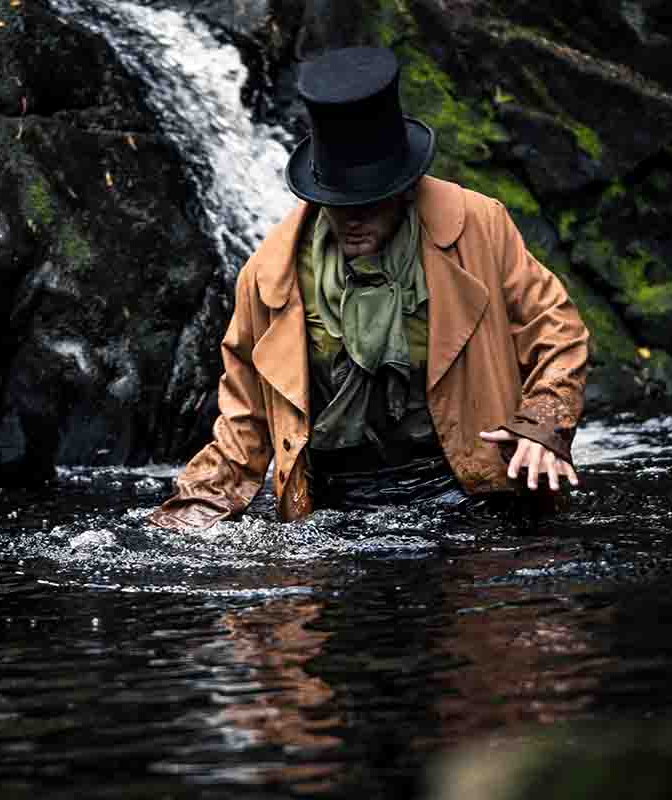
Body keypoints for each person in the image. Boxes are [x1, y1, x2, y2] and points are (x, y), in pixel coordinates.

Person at [150, 46, 589, 530]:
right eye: (340, 204)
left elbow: (556, 330)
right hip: (337, 514)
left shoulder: (480, 227)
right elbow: (243, 422)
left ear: (403, 189)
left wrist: (543, 423)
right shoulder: (268, 275)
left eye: (369, 203)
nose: (353, 219)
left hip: (470, 492)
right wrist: (190, 514)